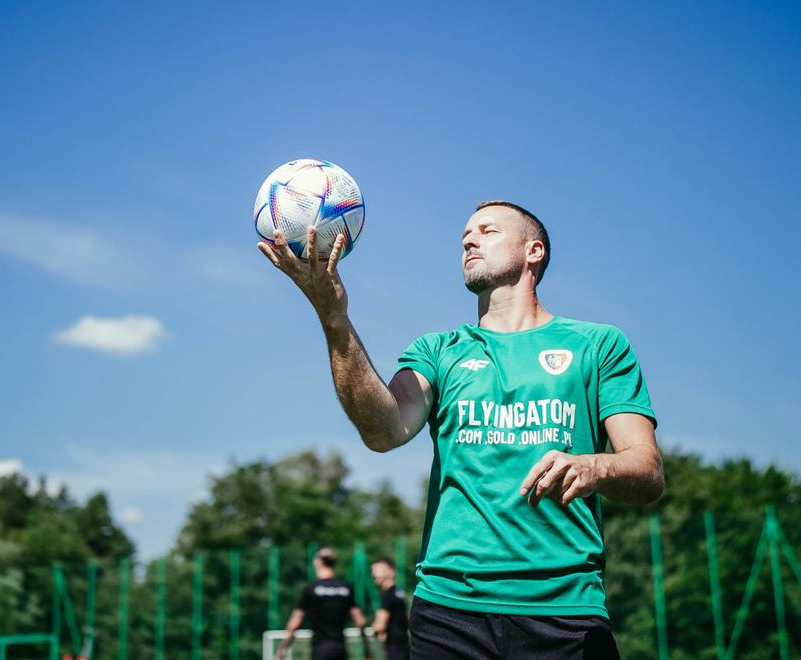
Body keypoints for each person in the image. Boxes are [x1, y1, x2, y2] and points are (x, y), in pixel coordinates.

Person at [258, 200, 664, 659]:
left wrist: (596, 467)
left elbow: (647, 470)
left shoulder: (599, 344)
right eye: (465, 237)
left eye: (488, 231)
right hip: (448, 613)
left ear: (533, 251)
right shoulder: (439, 351)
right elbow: (383, 431)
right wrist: (334, 318)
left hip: (565, 609)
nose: (470, 241)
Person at [275, 547, 370, 660]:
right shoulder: (346, 588)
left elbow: (295, 623)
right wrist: (367, 648)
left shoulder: (311, 589)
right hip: (340, 650)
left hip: (320, 650)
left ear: (317, 562)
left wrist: (283, 647)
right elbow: (360, 621)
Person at [370, 558, 410, 660]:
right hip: (405, 644)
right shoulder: (399, 593)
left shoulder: (387, 596)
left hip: (394, 648)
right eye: (373, 571)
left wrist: (374, 629)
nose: (374, 574)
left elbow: (379, 626)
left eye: (378, 570)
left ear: (391, 571)